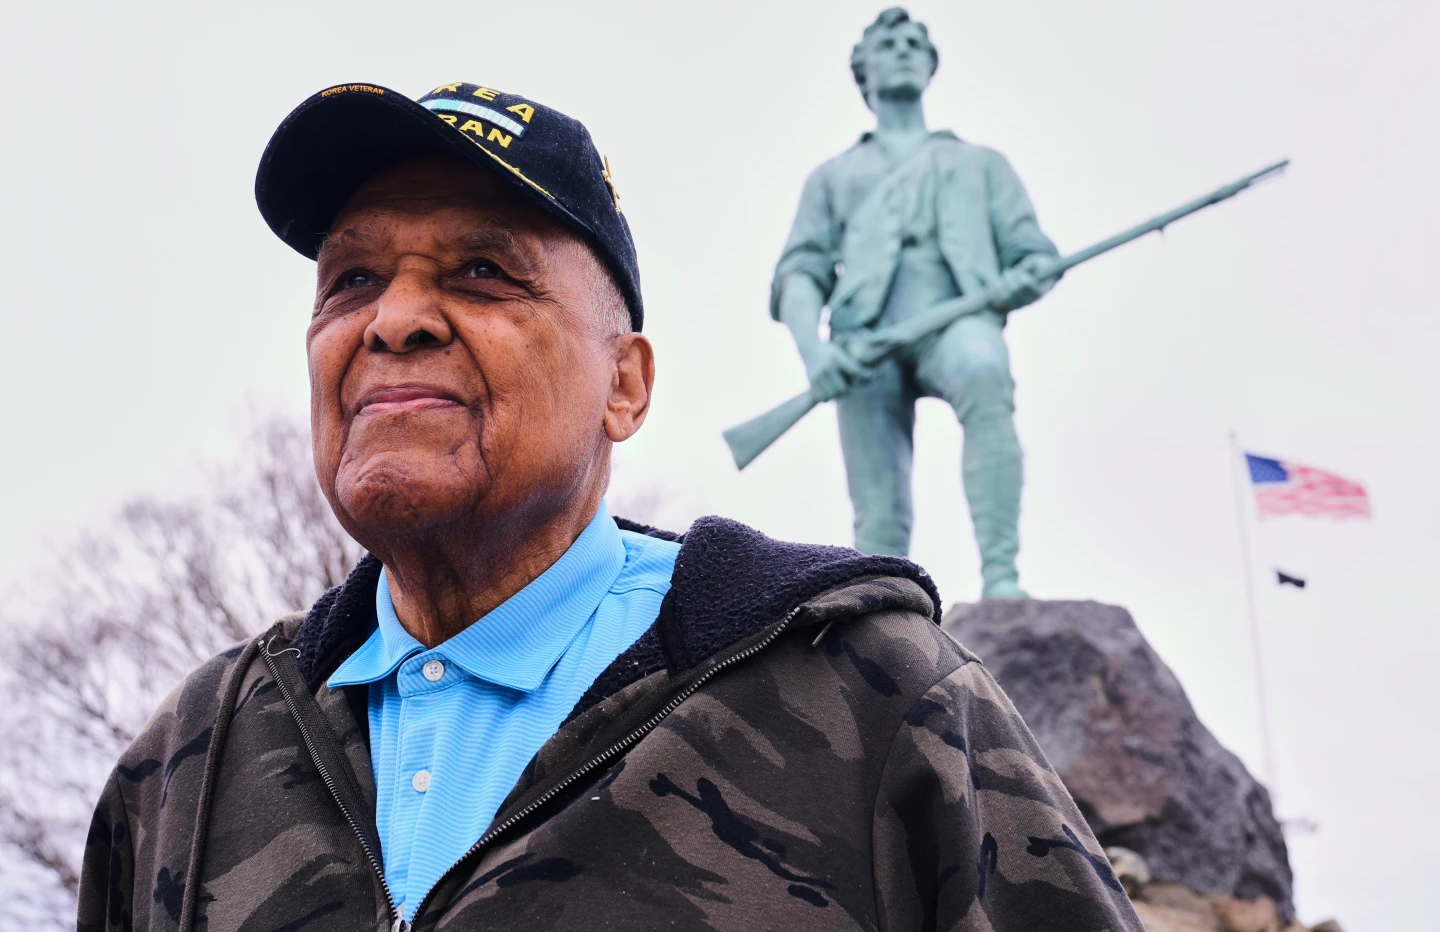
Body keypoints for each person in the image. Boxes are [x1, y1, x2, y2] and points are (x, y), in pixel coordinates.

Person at [77, 79, 1140, 932]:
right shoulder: (189, 760)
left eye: (481, 271)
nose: (394, 320)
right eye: (351, 280)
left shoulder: (878, 699)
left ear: (624, 384)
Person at [773, 8, 1060, 597]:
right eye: (888, 44)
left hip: (957, 320)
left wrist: (1029, 273)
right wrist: (815, 353)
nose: (903, 50)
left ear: (931, 66)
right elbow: (799, 271)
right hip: (864, 343)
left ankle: (1001, 576)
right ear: (864, 71)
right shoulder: (833, 177)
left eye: (913, 43)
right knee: (878, 507)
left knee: (983, 368)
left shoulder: (981, 164)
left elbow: (1034, 253)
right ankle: (883, 611)